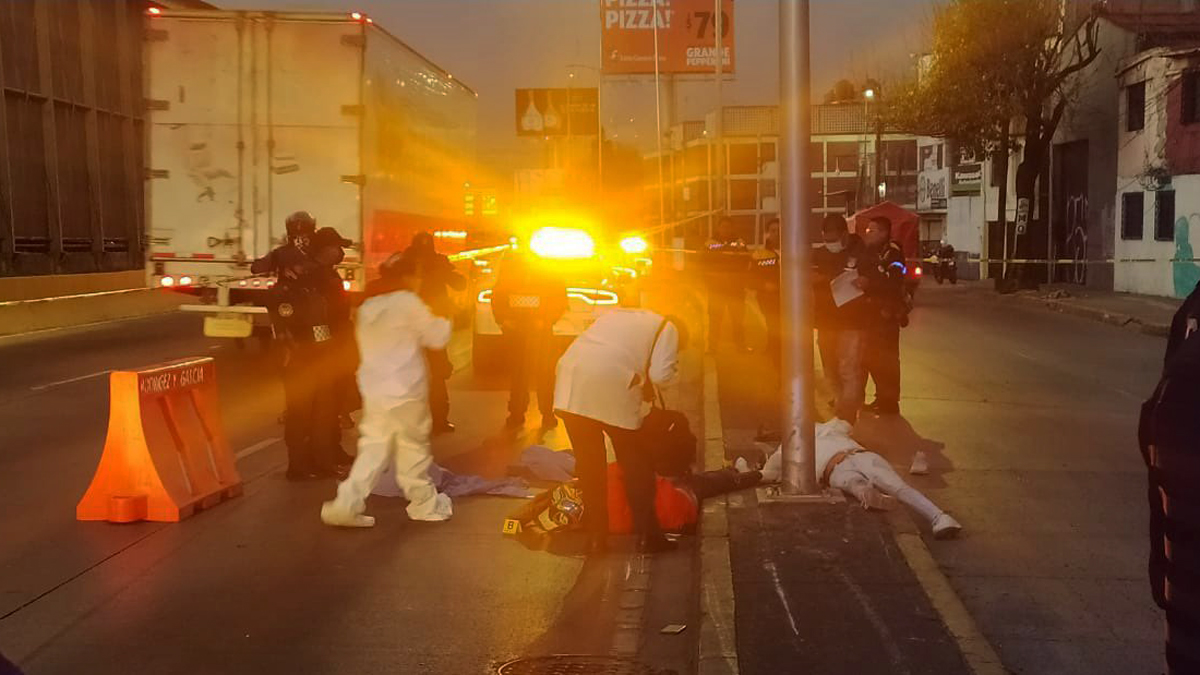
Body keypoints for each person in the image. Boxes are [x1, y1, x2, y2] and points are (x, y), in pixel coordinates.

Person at [321, 254, 454, 527]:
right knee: (413, 449)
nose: (418, 281)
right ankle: (424, 504)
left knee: (372, 450)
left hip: (375, 388)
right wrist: (447, 314)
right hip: (405, 390)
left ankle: (345, 506)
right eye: (416, 275)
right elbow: (437, 337)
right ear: (406, 277)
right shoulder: (407, 302)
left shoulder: (368, 306)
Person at [554, 308, 685, 553]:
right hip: (612, 383)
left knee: (590, 467)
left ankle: (596, 539)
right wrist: (673, 371)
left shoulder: (617, 315)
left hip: (571, 379)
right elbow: (661, 374)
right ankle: (647, 536)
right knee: (636, 462)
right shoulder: (668, 327)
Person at [761, 419, 962, 539]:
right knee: (854, 483)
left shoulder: (823, 427)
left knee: (895, 486)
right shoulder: (783, 451)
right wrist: (743, 469)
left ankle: (940, 517)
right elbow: (767, 474)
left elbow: (846, 422)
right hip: (835, 471)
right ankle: (869, 494)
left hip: (855, 456)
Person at [265, 224, 353, 480]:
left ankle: (318, 460)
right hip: (299, 361)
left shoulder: (307, 288)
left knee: (320, 412)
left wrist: (328, 350)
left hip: (317, 358)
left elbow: (320, 325)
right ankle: (299, 466)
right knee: (300, 414)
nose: (306, 268)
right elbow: (289, 332)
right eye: (300, 264)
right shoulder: (284, 293)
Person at [491, 249, 568, 430]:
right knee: (519, 373)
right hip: (517, 332)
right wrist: (504, 320)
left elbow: (559, 299)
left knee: (545, 373)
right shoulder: (511, 266)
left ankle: (547, 413)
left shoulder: (549, 271)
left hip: (540, 333)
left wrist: (545, 320)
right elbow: (498, 296)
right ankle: (517, 413)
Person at [403, 232, 467, 435]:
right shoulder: (434, 261)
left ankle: (418, 421)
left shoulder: (404, 262)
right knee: (436, 374)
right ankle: (437, 420)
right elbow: (459, 283)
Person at [812, 214, 869, 424]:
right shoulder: (818, 254)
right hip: (826, 321)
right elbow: (808, 277)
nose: (830, 244)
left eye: (833, 239)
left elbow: (875, 277)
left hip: (852, 322)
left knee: (849, 370)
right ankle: (840, 407)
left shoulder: (861, 253)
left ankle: (846, 420)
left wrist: (866, 281)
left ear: (845, 234)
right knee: (830, 370)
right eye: (826, 240)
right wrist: (822, 279)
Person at [607, 459, 761, 534]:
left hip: (671, 512)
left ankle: (739, 472)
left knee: (700, 481)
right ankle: (754, 475)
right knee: (702, 482)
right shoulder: (612, 473)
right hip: (677, 504)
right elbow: (647, 476)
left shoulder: (605, 516)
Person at [857, 216, 908, 416]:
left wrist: (871, 283)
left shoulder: (893, 254)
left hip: (886, 315)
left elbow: (894, 281)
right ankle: (882, 398)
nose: (867, 234)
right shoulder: (869, 252)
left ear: (885, 233)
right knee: (871, 358)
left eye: (872, 231)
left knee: (887, 360)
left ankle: (889, 402)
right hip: (870, 315)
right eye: (867, 230)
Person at [704, 217, 750, 352]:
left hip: (735, 288)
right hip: (716, 288)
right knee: (715, 319)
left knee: (738, 319)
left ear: (732, 228)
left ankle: (740, 345)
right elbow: (703, 263)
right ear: (718, 228)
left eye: (728, 227)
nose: (726, 229)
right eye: (723, 227)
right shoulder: (709, 244)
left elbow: (745, 260)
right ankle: (712, 346)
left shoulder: (739, 242)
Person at [751, 218, 781, 366]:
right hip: (769, 299)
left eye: (780, 230)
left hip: (791, 299)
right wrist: (764, 286)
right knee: (774, 326)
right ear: (768, 234)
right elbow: (751, 278)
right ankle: (775, 358)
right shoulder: (759, 255)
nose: (777, 234)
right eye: (773, 231)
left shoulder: (793, 250)